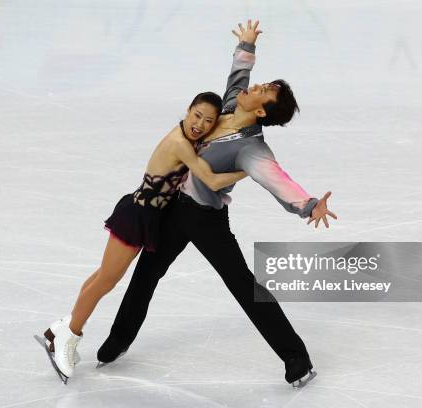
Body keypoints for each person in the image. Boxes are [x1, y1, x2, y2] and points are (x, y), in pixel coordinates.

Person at [96, 20, 337, 387]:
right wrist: (247, 46)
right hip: (176, 209)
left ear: (260, 112)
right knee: (146, 274)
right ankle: (117, 342)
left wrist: (309, 204)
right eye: (262, 85)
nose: (254, 88)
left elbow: (276, 178)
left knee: (242, 285)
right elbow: (239, 74)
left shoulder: (252, 149)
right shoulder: (229, 107)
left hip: (207, 220)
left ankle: (296, 359)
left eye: (263, 93)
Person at [41, 92, 247, 383]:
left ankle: (63, 328)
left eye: (208, 120)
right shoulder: (180, 142)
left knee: (103, 276)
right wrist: (247, 169)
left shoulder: (194, 137)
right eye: (196, 115)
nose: (200, 123)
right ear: (188, 110)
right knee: (106, 280)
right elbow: (211, 180)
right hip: (136, 216)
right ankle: (68, 337)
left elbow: (229, 116)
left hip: (151, 218)